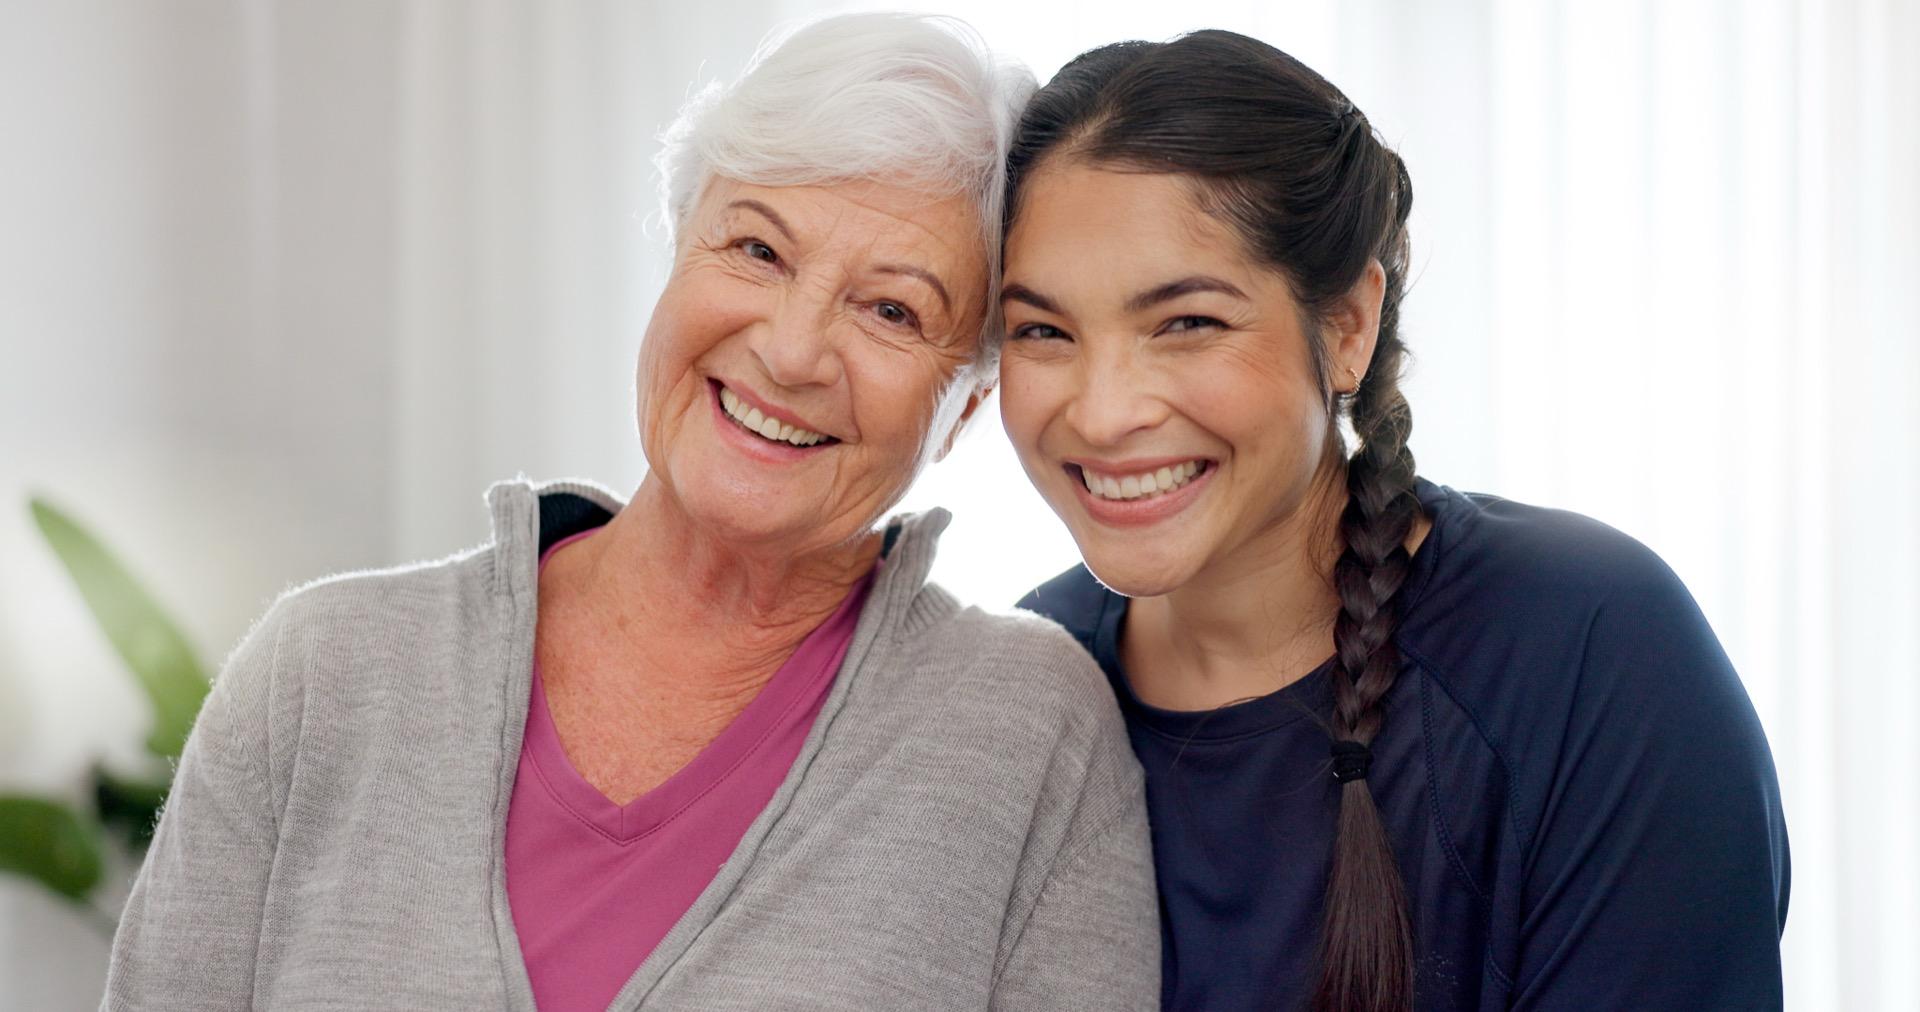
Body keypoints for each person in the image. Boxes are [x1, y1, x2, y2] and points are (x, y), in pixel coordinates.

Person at [103, 15, 1157, 1011]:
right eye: (756, 250)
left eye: (892, 310)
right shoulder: (322, 675)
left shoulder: (1029, 735)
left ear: (966, 404)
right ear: (673, 250)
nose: (791, 350)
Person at [1000, 31, 1788, 1011]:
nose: (1103, 410)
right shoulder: (1024, 690)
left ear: (1346, 327)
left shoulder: (1585, 649)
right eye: (1041, 330)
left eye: (1188, 321)